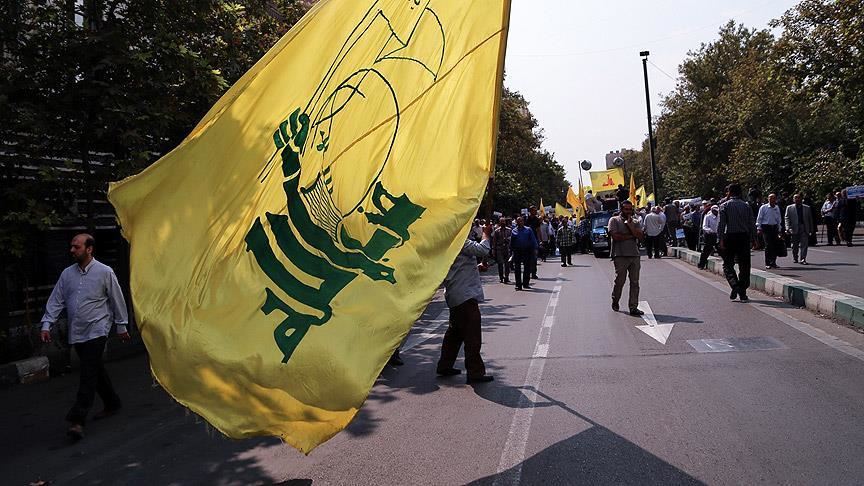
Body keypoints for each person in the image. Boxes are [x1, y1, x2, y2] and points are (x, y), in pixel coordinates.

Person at [40, 234, 130, 441]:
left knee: (88, 372)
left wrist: (121, 326)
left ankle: (77, 420)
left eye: (77, 247)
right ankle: (112, 402)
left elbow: (117, 299)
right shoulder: (67, 274)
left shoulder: (104, 272)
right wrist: (46, 324)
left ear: (89, 249)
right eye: (71, 246)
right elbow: (56, 300)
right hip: (77, 332)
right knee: (95, 370)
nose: (72, 250)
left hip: (97, 330)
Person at [437, 227, 494, 383]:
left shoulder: (449, 243)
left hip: (456, 293)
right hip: (464, 295)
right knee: (472, 334)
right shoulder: (459, 240)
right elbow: (483, 249)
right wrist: (486, 234)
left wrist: (477, 267)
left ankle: (445, 365)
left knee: (455, 333)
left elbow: (459, 267)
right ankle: (475, 371)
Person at [718, 183, 756, 302]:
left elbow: (721, 224)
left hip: (730, 237)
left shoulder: (724, 206)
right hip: (744, 238)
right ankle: (742, 291)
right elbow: (752, 223)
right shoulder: (746, 206)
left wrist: (720, 239)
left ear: (729, 192)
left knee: (728, 265)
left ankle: (735, 285)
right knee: (744, 265)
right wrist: (754, 239)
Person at [608, 200, 644, 316]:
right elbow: (616, 236)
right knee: (620, 281)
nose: (628, 211)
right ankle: (615, 299)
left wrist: (631, 227)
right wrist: (632, 235)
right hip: (620, 255)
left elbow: (640, 236)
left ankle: (633, 307)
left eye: (630, 209)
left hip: (634, 255)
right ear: (621, 209)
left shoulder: (635, 221)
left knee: (635, 282)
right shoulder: (614, 220)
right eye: (626, 209)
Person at [510, 216, 538, 290]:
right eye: (518, 221)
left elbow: (533, 240)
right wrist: (511, 251)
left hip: (527, 250)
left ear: (523, 222)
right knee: (517, 268)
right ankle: (518, 284)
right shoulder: (514, 231)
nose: (520, 222)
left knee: (527, 267)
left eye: (521, 221)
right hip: (517, 251)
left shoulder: (528, 230)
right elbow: (512, 242)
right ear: (516, 222)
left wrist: (535, 248)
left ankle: (526, 283)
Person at [785, 193, 814, 264]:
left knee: (804, 244)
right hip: (794, 228)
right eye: (795, 198)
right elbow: (787, 218)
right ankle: (795, 257)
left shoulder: (807, 208)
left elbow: (810, 219)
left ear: (801, 199)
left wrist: (811, 229)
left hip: (804, 227)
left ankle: (803, 259)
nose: (797, 199)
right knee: (794, 245)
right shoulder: (789, 208)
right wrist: (788, 228)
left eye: (798, 198)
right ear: (793, 199)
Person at [757, 193, 783, 269]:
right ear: (768, 199)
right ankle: (767, 263)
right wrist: (759, 228)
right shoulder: (763, 207)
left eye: (774, 198)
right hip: (766, 227)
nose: (772, 200)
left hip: (774, 227)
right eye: (770, 198)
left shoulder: (777, 208)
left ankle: (773, 262)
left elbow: (778, 219)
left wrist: (779, 229)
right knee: (768, 245)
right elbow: (759, 218)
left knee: (775, 245)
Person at [698, 205, 720, 269]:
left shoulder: (719, 217)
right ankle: (701, 264)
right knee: (706, 250)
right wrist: (710, 231)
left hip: (717, 235)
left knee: (721, 249)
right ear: (712, 210)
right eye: (715, 211)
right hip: (709, 235)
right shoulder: (708, 217)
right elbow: (704, 226)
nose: (716, 212)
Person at [491, 217, 511, 283]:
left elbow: (512, 238)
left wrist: (508, 240)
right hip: (499, 248)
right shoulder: (497, 231)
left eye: (504, 221)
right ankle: (501, 277)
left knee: (507, 264)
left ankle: (506, 277)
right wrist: (493, 250)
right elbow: (494, 241)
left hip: (507, 248)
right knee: (500, 263)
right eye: (501, 221)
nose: (503, 223)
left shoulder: (509, 230)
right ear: (499, 222)